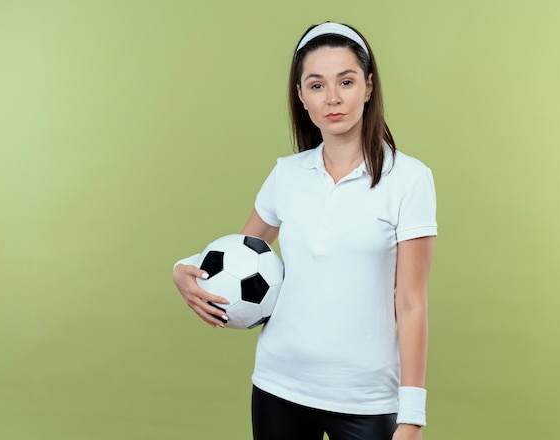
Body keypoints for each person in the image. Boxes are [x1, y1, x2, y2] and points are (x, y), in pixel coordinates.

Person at [172, 22, 437, 440]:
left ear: (368, 87)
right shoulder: (287, 174)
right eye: (316, 85)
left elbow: (411, 303)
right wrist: (182, 268)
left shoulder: (410, 179)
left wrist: (411, 415)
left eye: (345, 82)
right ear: (301, 96)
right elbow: (240, 251)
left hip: (366, 398)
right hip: (279, 385)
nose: (332, 98)